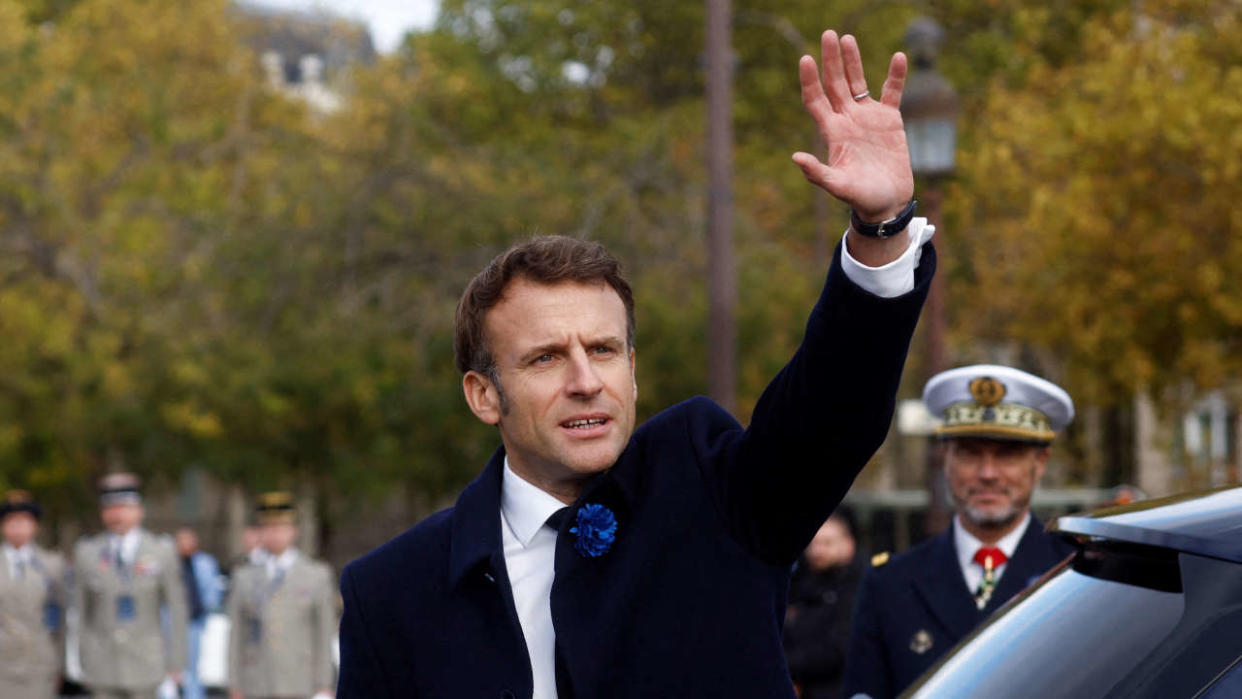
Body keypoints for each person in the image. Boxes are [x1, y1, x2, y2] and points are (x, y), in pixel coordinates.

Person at [337, 29, 936, 698]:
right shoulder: (390, 590)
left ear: (633, 368)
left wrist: (879, 229)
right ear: (483, 394)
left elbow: (832, 413)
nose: (585, 380)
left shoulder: (711, 487)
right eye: (545, 358)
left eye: (602, 350)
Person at [843, 365, 1078, 698]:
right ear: (945, 459)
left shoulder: (1078, 573)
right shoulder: (890, 585)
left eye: (1008, 455)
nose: (987, 473)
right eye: (969, 453)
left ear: (1040, 462)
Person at [73, 473, 187, 699]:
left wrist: (177, 662)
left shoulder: (160, 551)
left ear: (139, 510)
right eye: (110, 508)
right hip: (102, 665)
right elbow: (81, 612)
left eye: (124, 507)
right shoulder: (88, 552)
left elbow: (176, 610)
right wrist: (83, 659)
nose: (117, 514)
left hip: (146, 663)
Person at [227, 492, 336, 699]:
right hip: (257, 681)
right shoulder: (244, 576)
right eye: (268, 528)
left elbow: (324, 633)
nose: (274, 534)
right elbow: (237, 635)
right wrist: (235, 683)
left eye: (280, 528)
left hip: (301, 681)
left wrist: (324, 683)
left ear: (293, 531)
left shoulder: (316, 575)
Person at [783, 510, 864, 699]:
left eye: (827, 543)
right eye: (813, 544)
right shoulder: (801, 582)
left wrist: (784, 664)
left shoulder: (859, 586)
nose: (817, 551)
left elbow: (838, 648)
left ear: (848, 544)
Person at [0, 490, 67, 699]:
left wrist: (61, 664)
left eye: (24, 521)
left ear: (35, 525)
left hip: (38, 663)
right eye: (12, 521)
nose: (18, 527)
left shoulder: (52, 565)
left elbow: (61, 619)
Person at [176, 527, 223, 699]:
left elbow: (212, 593)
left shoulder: (204, 563)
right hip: (172, 625)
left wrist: (206, 614)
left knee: (193, 668)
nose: (184, 544)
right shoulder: (171, 563)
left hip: (195, 622)